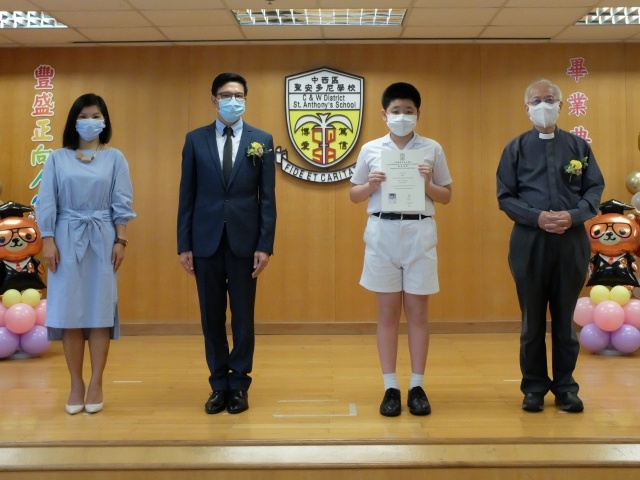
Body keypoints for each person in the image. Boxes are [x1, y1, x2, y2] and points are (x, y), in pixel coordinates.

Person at [496, 78, 605, 413]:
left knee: (564, 321)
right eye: (536, 100)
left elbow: (593, 189)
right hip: (529, 241)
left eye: (549, 99)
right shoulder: (515, 148)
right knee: (532, 321)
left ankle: (566, 388)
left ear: (560, 105)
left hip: (571, 241)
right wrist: (537, 217)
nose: (543, 105)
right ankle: (533, 388)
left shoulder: (579, 147)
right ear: (526, 107)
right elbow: (505, 196)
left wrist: (573, 215)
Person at [350, 82, 452, 417]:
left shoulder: (431, 148)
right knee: (387, 314)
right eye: (396, 111)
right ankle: (390, 386)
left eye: (409, 111)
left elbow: (446, 195)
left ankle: (417, 386)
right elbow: (354, 194)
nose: (403, 116)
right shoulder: (371, 149)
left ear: (418, 113)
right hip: (382, 231)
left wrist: (428, 184)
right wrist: (370, 185)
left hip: (419, 231)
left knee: (418, 314)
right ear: (384, 114)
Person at [177, 72, 276, 415]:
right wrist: (184, 244)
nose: (232, 100)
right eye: (225, 95)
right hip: (205, 241)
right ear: (213, 99)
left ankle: (239, 384)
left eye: (238, 95)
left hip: (245, 243)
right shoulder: (195, 140)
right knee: (211, 317)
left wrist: (265, 244)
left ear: (245, 99)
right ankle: (218, 383)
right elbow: (186, 195)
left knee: (243, 317)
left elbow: (267, 199)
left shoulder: (261, 140)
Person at [36, 93, 135, 415]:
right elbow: (46, 200)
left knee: (99, 312)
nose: (90, 122)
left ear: (104, 121)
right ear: (73, 121)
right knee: (71, 314)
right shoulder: (57, 158)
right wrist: (48, 240)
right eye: (84, 116)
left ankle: (96, 383)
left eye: (96, 116)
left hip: (102, 237)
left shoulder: (115, 158)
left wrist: (121, 240)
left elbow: (122, 201)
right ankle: (76, 383)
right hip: (65, 237)